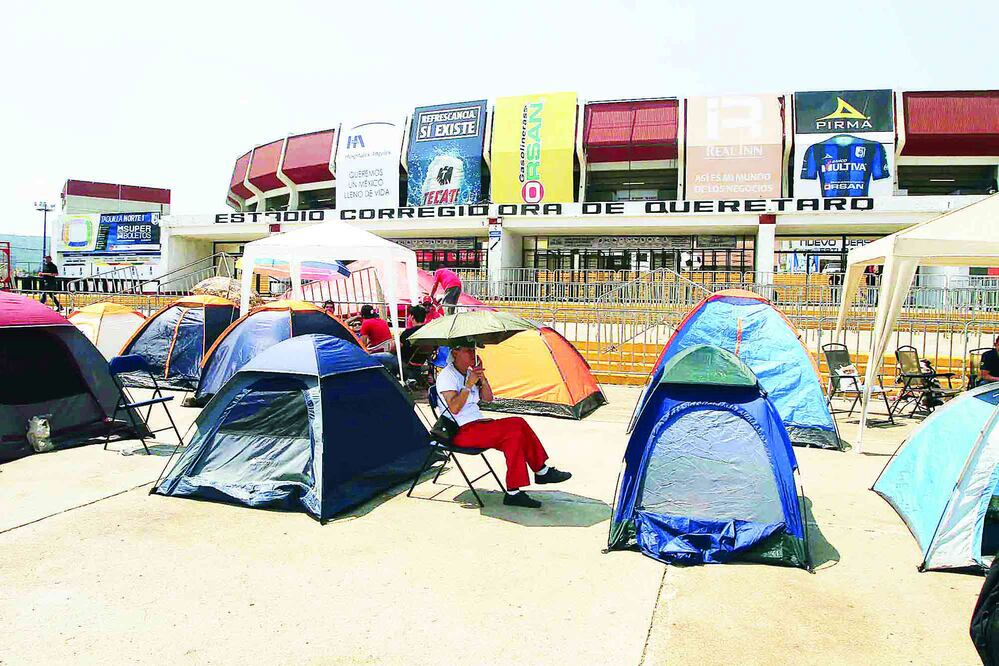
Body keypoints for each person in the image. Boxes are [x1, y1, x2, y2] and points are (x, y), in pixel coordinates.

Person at [436, 344, 571, 508]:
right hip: (460, 431)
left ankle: (515, 492)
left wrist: (482, 379)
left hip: (478, 425)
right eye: (468, 350)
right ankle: (540, 472)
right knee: (516, 426)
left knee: (515, 436)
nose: (473, 353)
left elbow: (488, 399)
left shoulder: (469, 373)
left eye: (474, 350)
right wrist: (468, 385)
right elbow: (454, 408)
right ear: (455, 352)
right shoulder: (447, 376)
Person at [399, 305, 432, 384]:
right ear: (425, 317)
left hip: (406, 363)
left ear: (412, 317)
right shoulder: (430, 332)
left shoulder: (407, 333)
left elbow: (398, 348)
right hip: (423, 361)